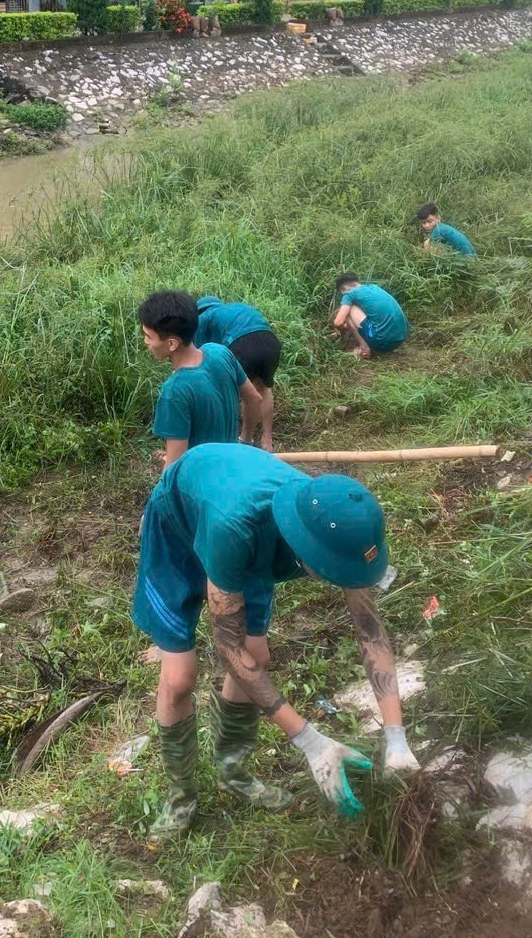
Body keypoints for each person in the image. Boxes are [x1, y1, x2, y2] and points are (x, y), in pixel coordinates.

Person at [132, 442, 420, 842]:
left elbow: (369, 630)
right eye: (335, 572)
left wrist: (396, 737)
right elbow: (228, 647)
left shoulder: (337, 525)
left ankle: (231, 771)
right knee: (180, 677)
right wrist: (310, 741)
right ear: (308, 553)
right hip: (179, 523)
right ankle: (181, 796)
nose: (341, 578)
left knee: (258, 657)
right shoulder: (236, 527)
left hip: (249, 534)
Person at [139, 291, 264, 469]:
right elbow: (255, 399)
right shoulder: (220, 352)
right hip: (231, 468)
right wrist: (244, 443)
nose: (145, 341)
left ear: (172, 344)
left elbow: (175, 468)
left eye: (148, 336)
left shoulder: (174, 391)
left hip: (202, 481)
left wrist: (168, 467)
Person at [195, 296, 281, 451]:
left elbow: (197, 355)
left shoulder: (202, 318)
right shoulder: (236, 308)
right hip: (270, 341)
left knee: (239, 393)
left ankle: (243, 442)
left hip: (242, 343)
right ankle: (267, 441)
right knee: (264, 389)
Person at [332, 274, 408, 359]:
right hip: (400, 340)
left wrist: (343, 331)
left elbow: (338, 323)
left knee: (349, 310)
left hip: (382, 342)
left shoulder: (349, 294)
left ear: (345, 289)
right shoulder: (374, 287)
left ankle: (365, 350)